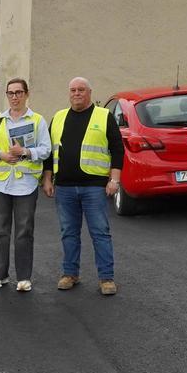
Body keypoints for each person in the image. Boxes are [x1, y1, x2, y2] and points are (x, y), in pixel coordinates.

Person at [42, 77, 124, 296]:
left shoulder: (103, 116)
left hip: (94, 187)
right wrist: (47, 179)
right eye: (73, 90)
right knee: (68, 233)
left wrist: (114, 180)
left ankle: (106, 278)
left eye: (81, 90)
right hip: (65, 187)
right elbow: (49, 152)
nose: (76, 93)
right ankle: (70, 274)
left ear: (89, 92)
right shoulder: (59, 117)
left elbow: (118, 149)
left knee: (100, 233)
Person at [0, 78, 51, 292]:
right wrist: (0, 155)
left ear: (26, 94)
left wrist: (26, 152)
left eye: (19, 92)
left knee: (24, 231)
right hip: (0, 183)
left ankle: (24, 277)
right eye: (10, 93)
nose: (14, 97)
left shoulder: (37, 120)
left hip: (26, 184)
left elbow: (46, 149)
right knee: (0, 230)